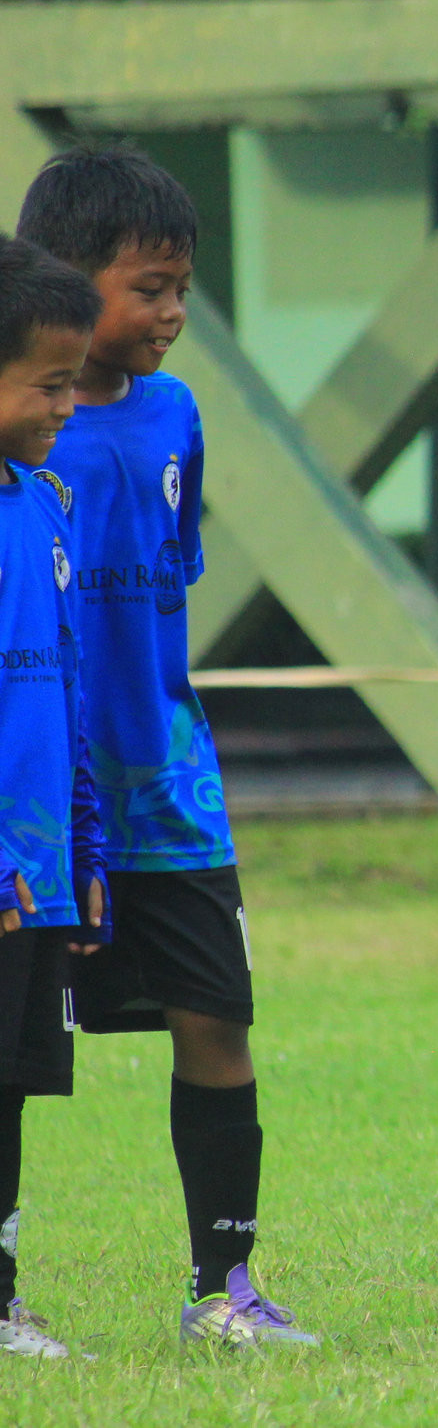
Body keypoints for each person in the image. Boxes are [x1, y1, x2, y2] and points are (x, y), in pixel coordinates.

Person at [15, 147, 318, 1349]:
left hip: (169, 786)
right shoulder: (21, 440)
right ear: (63, 278)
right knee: (15, 1048)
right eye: (149, 288)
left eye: (183, 288)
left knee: (217, 1019)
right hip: (39, 799)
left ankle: (223, 1290)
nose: (173, 313)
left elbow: (171, 568)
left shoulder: (177, 413)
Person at [0, 239, 108, 1360]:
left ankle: (1, 1295)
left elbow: (64, 688)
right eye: (49, 384)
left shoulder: (45, 502)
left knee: (11, 1085)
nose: (68, 406)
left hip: (36, 874)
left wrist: (83, 846)